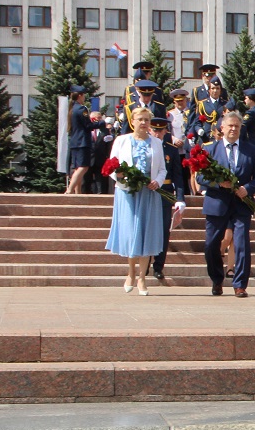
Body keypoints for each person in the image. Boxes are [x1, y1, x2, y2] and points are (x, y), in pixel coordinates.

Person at [198, 111, 255, 298]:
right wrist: (219, 182)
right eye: (230, 126)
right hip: (217, 202)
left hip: (241, 203)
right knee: (212, 244)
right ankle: (217, 279)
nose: (234, 129)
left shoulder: (250, 149)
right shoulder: (211, 149)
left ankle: (240, 284)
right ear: (222, 128)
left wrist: (247, 188)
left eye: (237, 126)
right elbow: (201, 175)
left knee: (242, 243)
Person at [104, 107, 166, 295]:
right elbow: (111, 166)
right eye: (140, 119)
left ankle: (142, 278)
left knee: (147, 233)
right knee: (132, 233)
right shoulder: (122, 141)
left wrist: (158, 181)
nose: (144, 123)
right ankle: (130, 273)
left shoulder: (156, 143)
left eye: (147, 119)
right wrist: (122, 177)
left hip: (149, 193)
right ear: (133, 121)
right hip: (128, 193)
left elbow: (162, 169)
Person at [149, 118, 187, 282]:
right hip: (148, 192)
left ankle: (158, 267)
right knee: (148, 229)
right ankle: (144, 264)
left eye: (161, 130)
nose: (157, 134)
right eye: (155, 130)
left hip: (165, 192)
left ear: (166, 131)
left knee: (164, 231)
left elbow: (178, 177)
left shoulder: (171, 150)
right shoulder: (146, 147)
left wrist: (180, 198)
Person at [65, 86, 93, 194]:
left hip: (75, 141)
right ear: (80, 95)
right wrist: (100, 123)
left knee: (78, 168)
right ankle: (70, 190)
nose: (85, 97)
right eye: (84, 95)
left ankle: (78, 192)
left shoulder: (72, 109)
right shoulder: (82, 109)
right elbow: (88, 125)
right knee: (83, 167)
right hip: (82, 142)